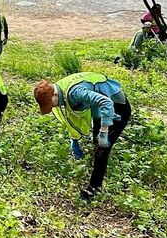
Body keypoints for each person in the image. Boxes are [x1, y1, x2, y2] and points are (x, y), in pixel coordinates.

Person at [34, 72, 132, 202]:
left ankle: (93, 189)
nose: (53, 107)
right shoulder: (60, 88)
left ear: (55, 95)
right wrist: (74, 139)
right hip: (99, 110)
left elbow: (106, 103)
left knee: (102, 149)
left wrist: (104, 132)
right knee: (96, 143)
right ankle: (99, 172)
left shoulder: (75, 93)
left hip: (117, 108)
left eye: (50, 103)